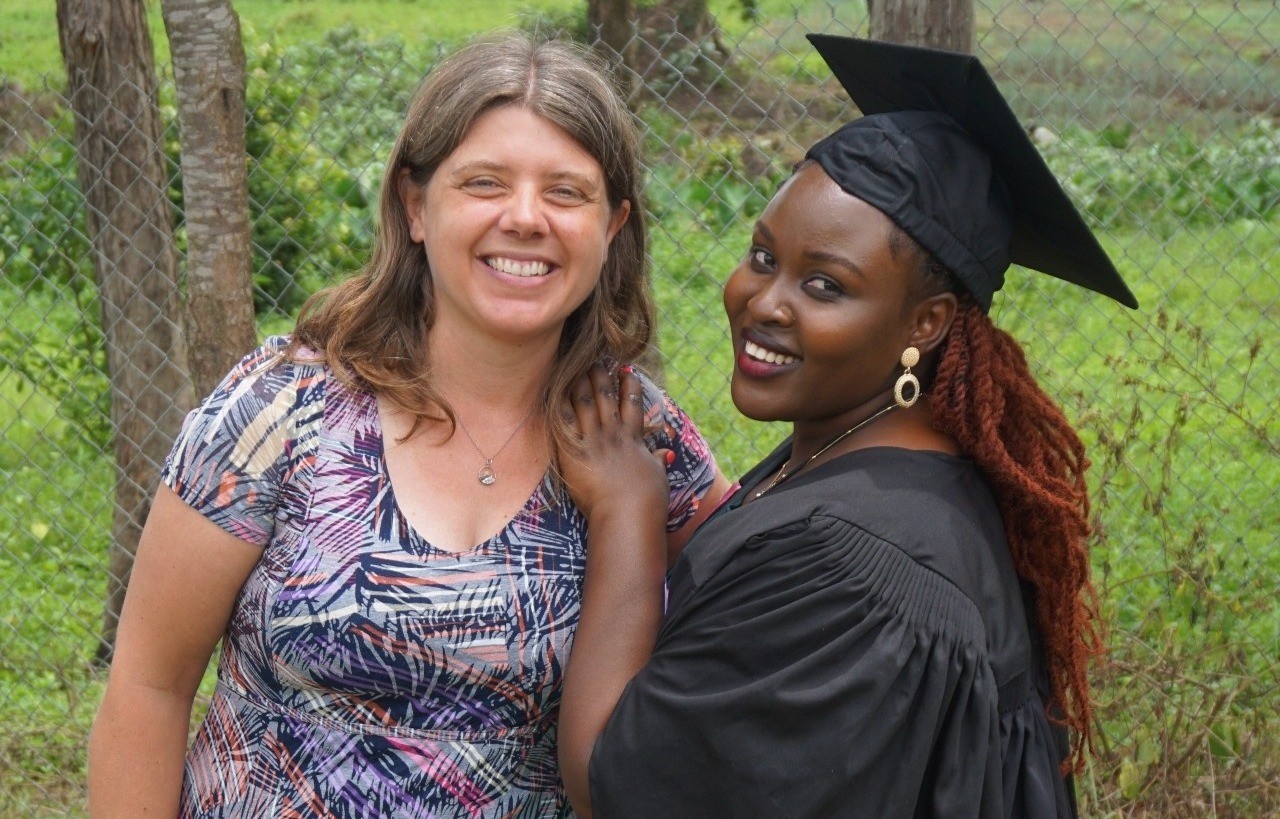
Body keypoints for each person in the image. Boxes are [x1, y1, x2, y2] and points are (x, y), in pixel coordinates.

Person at [87, 33, 730, 818]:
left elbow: (771, 629)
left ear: (613, 225)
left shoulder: (638, 439)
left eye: (567, 192)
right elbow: (149, 686)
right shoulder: (285, 412)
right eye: (484, 183)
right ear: (415, 206)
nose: (526, 218)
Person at [557, 35, 1139, 818]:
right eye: (763, 255)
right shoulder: (876, 452)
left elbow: (612, 781)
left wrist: (625, 505)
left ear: (926, 322)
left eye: (825, 284)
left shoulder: (855, 570)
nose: (765, 301)